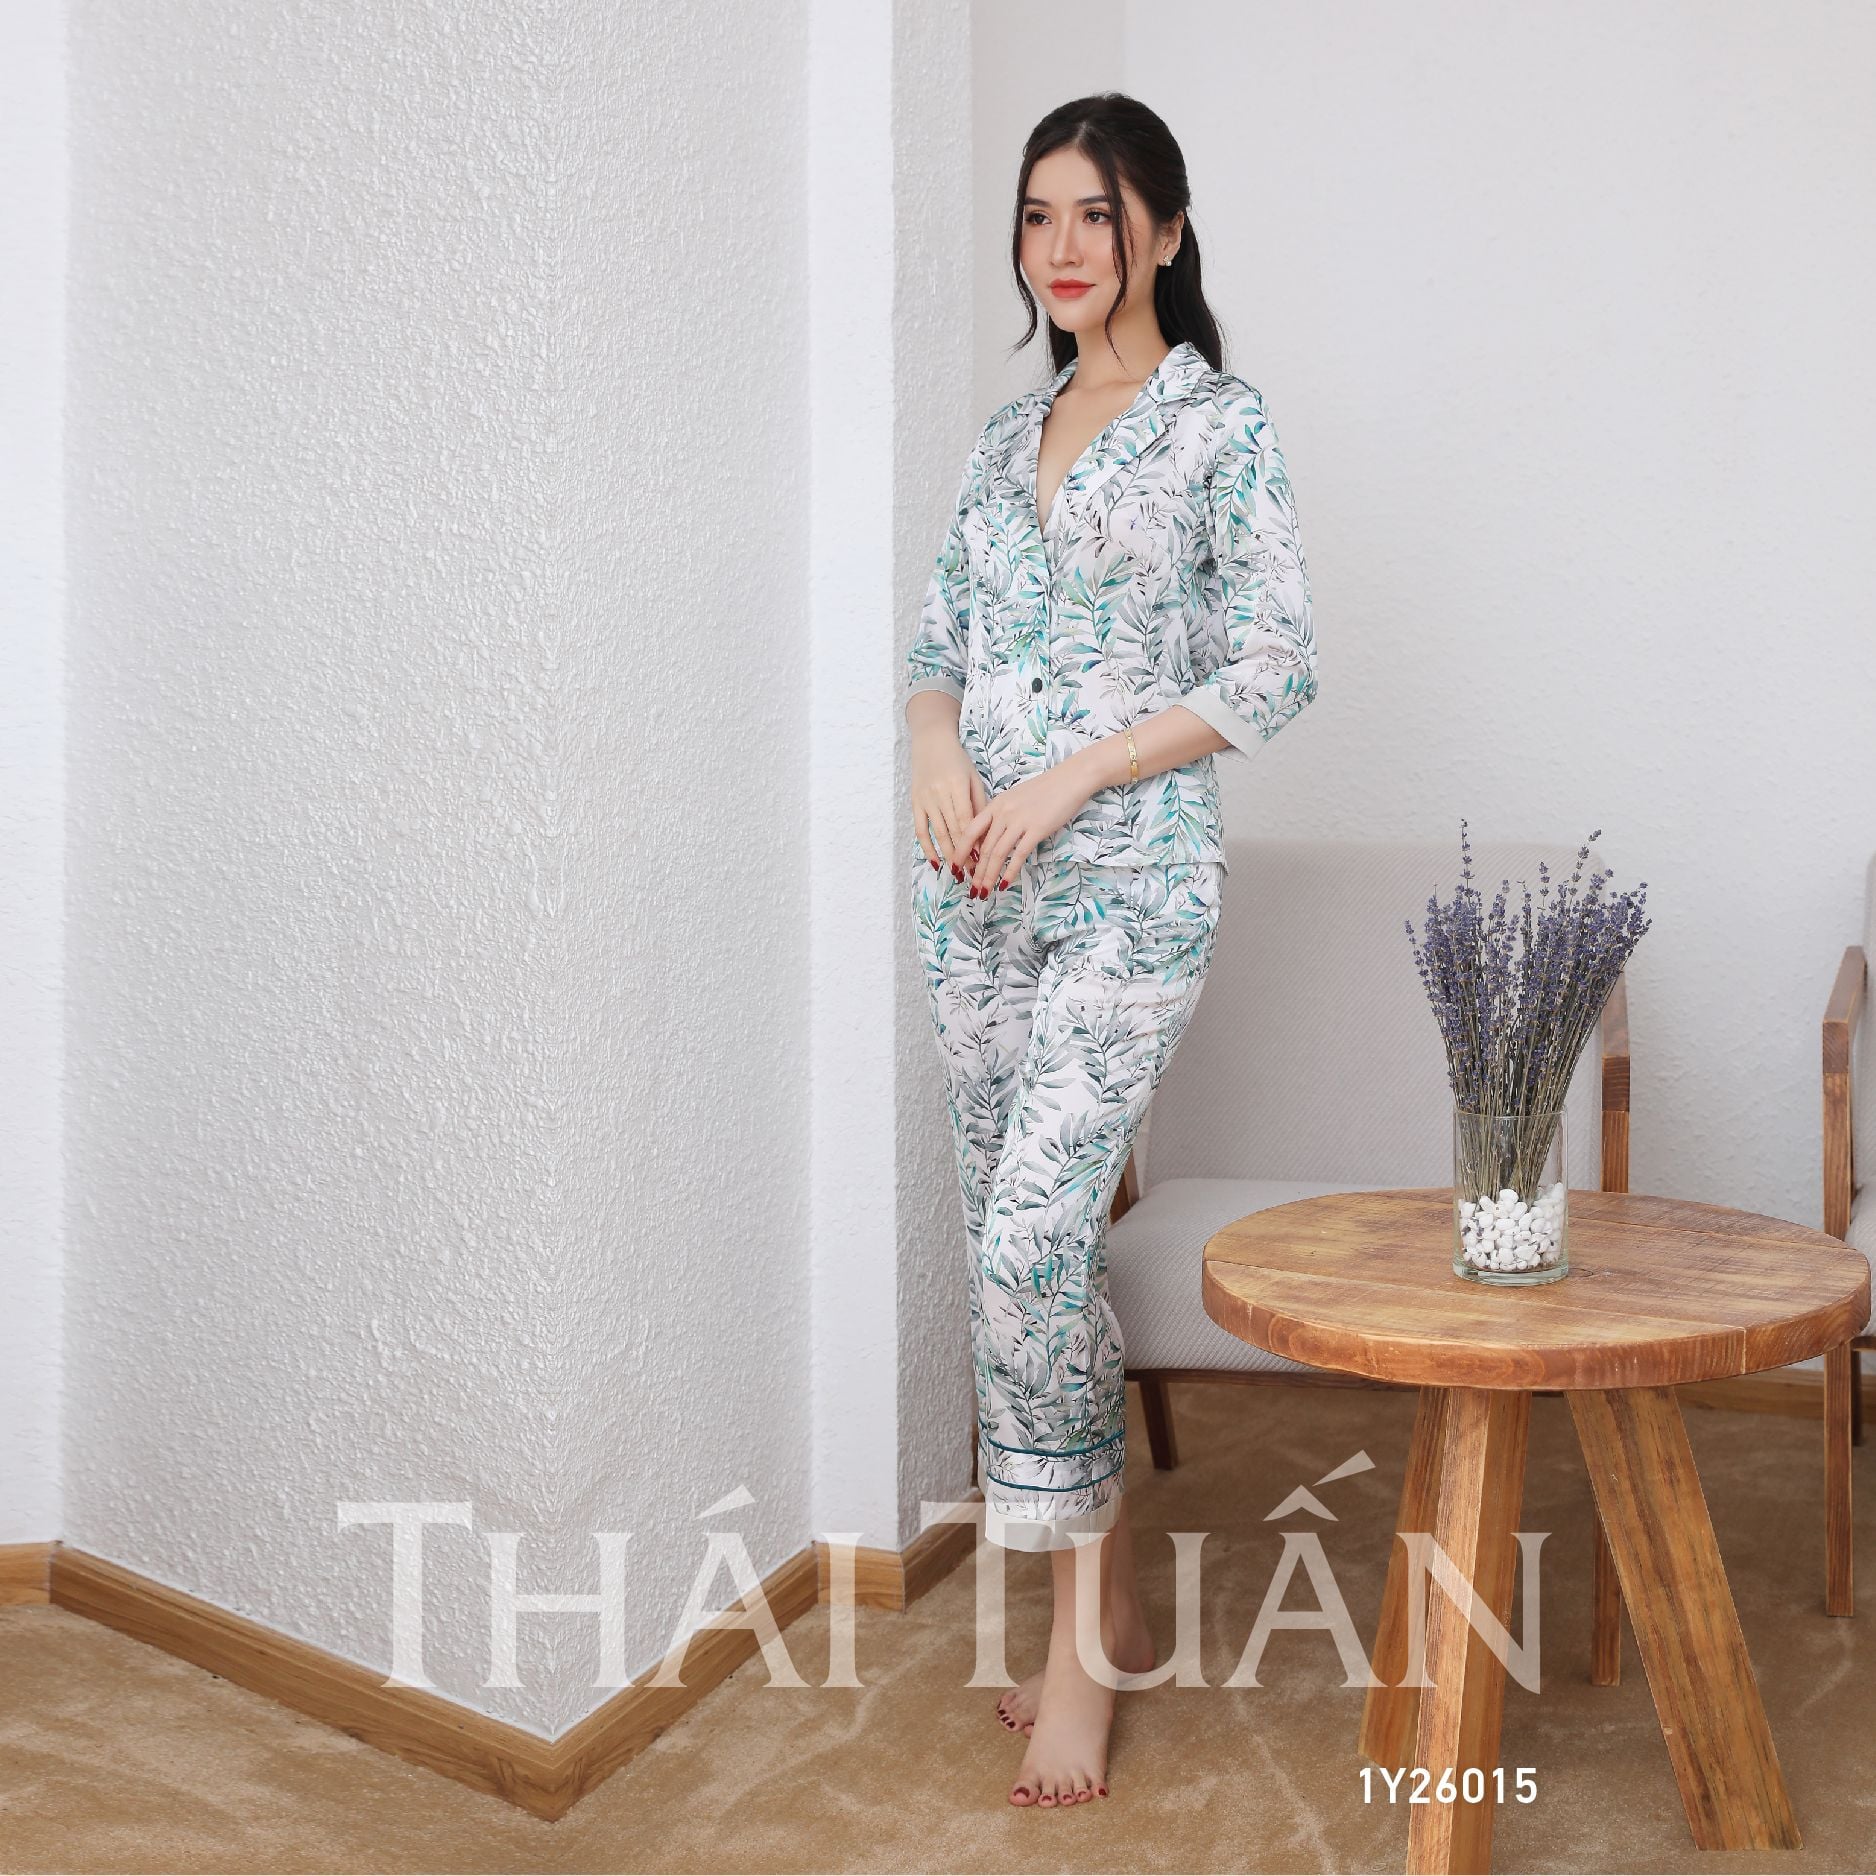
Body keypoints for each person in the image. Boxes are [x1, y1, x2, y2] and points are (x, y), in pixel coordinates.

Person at [903, 91, 1319, 1809]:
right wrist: (934, 751)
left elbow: (1275, 665)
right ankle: (1114, 1581)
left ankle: (1080, 1650)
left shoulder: (1220, 426)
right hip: (974, 893)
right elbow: (935, 645)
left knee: (1030, 1245)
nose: (1061, 247)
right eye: (1037, 216)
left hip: (1131, 887)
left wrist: (1076, 770)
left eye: (1094, 213)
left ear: (1163, 228)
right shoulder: (1006, 439)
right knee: (1023, 1261)